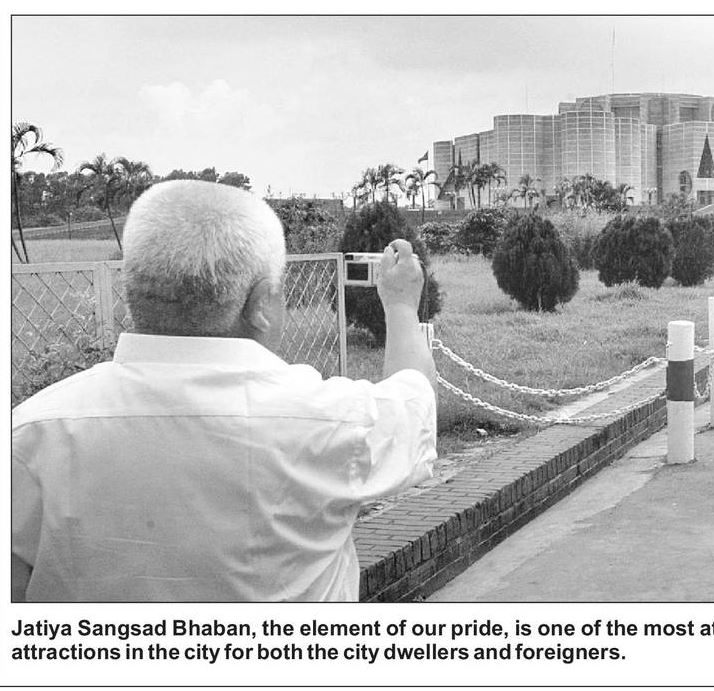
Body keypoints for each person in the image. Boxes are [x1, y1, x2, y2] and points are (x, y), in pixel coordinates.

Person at [12, 180, 437, 601]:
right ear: (261, 303)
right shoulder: (334, 422)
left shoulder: (28, 436)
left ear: (130, 291)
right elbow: (416, 399)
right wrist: (401, 306)